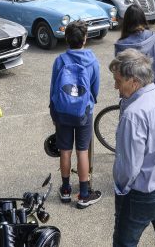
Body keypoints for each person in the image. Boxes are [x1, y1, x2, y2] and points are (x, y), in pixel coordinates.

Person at [110, 49, 155, 246]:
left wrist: (120, 188)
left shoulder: (133, 114)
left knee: (124, 242)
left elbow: (129, 167)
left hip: (144, 192)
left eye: (118, 81)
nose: (115, 86)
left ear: (133, 81)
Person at [49, 21, 101, 208]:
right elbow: (95, 89)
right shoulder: (92, 60)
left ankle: (65, 190)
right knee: (82, 151)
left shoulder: (60, 61)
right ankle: (84, 193)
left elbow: (54, 87)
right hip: (83, 113)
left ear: (67, 39)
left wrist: (53, 110)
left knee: (65, 150)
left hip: (62, 111)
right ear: (85, 38)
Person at [114, 5, 155, 91]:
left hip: (130, 95)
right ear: (143, 19)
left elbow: (119, 75)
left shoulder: (120, 45)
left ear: (126, 22)